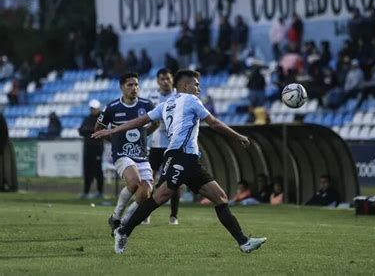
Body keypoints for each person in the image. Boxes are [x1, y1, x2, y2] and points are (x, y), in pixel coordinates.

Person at [92, 69, 266, 254]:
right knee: (159, 197)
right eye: (196, 84)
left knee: (220, 197)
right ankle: (123, 230)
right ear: (185, 86)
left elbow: (139, 121)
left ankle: (243, 241)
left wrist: (112, 131)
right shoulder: (191, 100)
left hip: (189, 159)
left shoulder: (166, 104)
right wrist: (238, 136)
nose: (199, 87)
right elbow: (213, 123)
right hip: (180, 156)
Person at [95, 72, 158, 236]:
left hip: (141, 155)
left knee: (144, 194)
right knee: (134, 182)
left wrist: (144, 135)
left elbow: (156, 123)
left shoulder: (147, 105)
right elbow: (98, 129)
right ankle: (117, 217)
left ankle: (120, 221)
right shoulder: (112, 107)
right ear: (122, 87)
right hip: (122, 154)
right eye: (130, 85)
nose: (134, 88)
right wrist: (115, 141)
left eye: (136, 85)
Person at [148, 68, 180, 224]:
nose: (165, 81)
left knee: (174, 180)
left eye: (168, 78)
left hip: (174, 144)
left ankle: (174, 216)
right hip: (156, 143)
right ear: (157, 81)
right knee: (149, 179)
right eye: (162, 79)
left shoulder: (179, 96)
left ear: (172, 79)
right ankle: (146, 213)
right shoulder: (151, 97)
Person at [78, 99, 104, 199]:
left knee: (98, 170)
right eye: (91, 108)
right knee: (87, 170)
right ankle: (86, 192)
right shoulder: (87, 118)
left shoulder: (102, 119)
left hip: (97, 148)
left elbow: (97, 131)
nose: (92, 110)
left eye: (94, 108)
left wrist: (88, 131)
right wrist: (91, 131)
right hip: (88, 147)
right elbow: (81, 130)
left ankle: (100, 192)